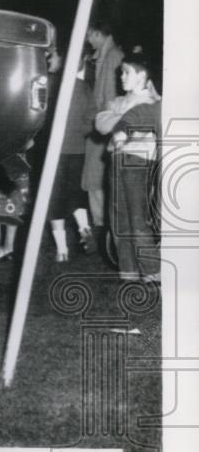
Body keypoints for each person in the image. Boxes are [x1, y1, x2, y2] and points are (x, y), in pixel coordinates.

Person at [94, 52, 161, 283]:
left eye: (126, 72)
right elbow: (101, 123)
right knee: (118, 218)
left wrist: (122, 119)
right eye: (121, 72)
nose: (121, 76)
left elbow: (139, 128)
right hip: (116, 161)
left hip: (138, 162)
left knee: (137, 217)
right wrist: (124, 121)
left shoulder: (150, 102)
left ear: (141, 76)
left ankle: (151, 270)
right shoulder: (120, 101)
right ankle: (128, 271)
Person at [47, 52, 95, 262]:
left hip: (54, 152)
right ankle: (84, 227)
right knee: (75, 194)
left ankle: (62, 250)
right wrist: (78, 131)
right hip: (78, 149)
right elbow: (92, 118)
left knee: (54, 199)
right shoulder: (83, 87)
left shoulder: (52, 85)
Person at [81, 22, 124, 234]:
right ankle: (102, 222)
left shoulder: (112, 56)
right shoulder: (102, 56)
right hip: (100, 123)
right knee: (94, 176)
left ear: (98, 34)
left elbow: (109, 95)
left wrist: (104, 125)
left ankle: (102, 224)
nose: (88, 40)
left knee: (95, 176)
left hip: (104, 125)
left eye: (90, 35)